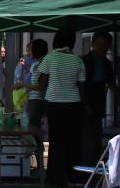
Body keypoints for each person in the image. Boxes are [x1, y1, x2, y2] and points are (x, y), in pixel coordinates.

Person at [39, 27, 86, 187]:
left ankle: (55, 176)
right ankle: (74, 176)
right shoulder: (78, 60)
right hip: (74, 104)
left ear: (56, 41)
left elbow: (43, 83)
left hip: (55, 104)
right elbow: (82, 87)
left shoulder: (49, 58)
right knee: (73, 141)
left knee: (57, 141)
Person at [81, 32, 116, 165]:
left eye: (106, 47)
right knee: (87, 138)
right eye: (101, 45)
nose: (103, 49)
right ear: (92, 44)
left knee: (96, 137)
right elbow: (80, 85)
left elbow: (111, 83)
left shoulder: (107, 63)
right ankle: (85, 167)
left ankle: (95, 164)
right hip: (85, 104)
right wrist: (84, 104)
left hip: (98, 103)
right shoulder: (84, 61)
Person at [13, 39, 48, 168]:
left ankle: (40, 166)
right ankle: (38, 165)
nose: (29, 52)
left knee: (34, 132)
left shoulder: (42, 64)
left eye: (31, 49)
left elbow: (40, 86)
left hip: (38, 102)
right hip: (33, 100)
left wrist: (22, 85)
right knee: (33, 131)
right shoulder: (36, 64)